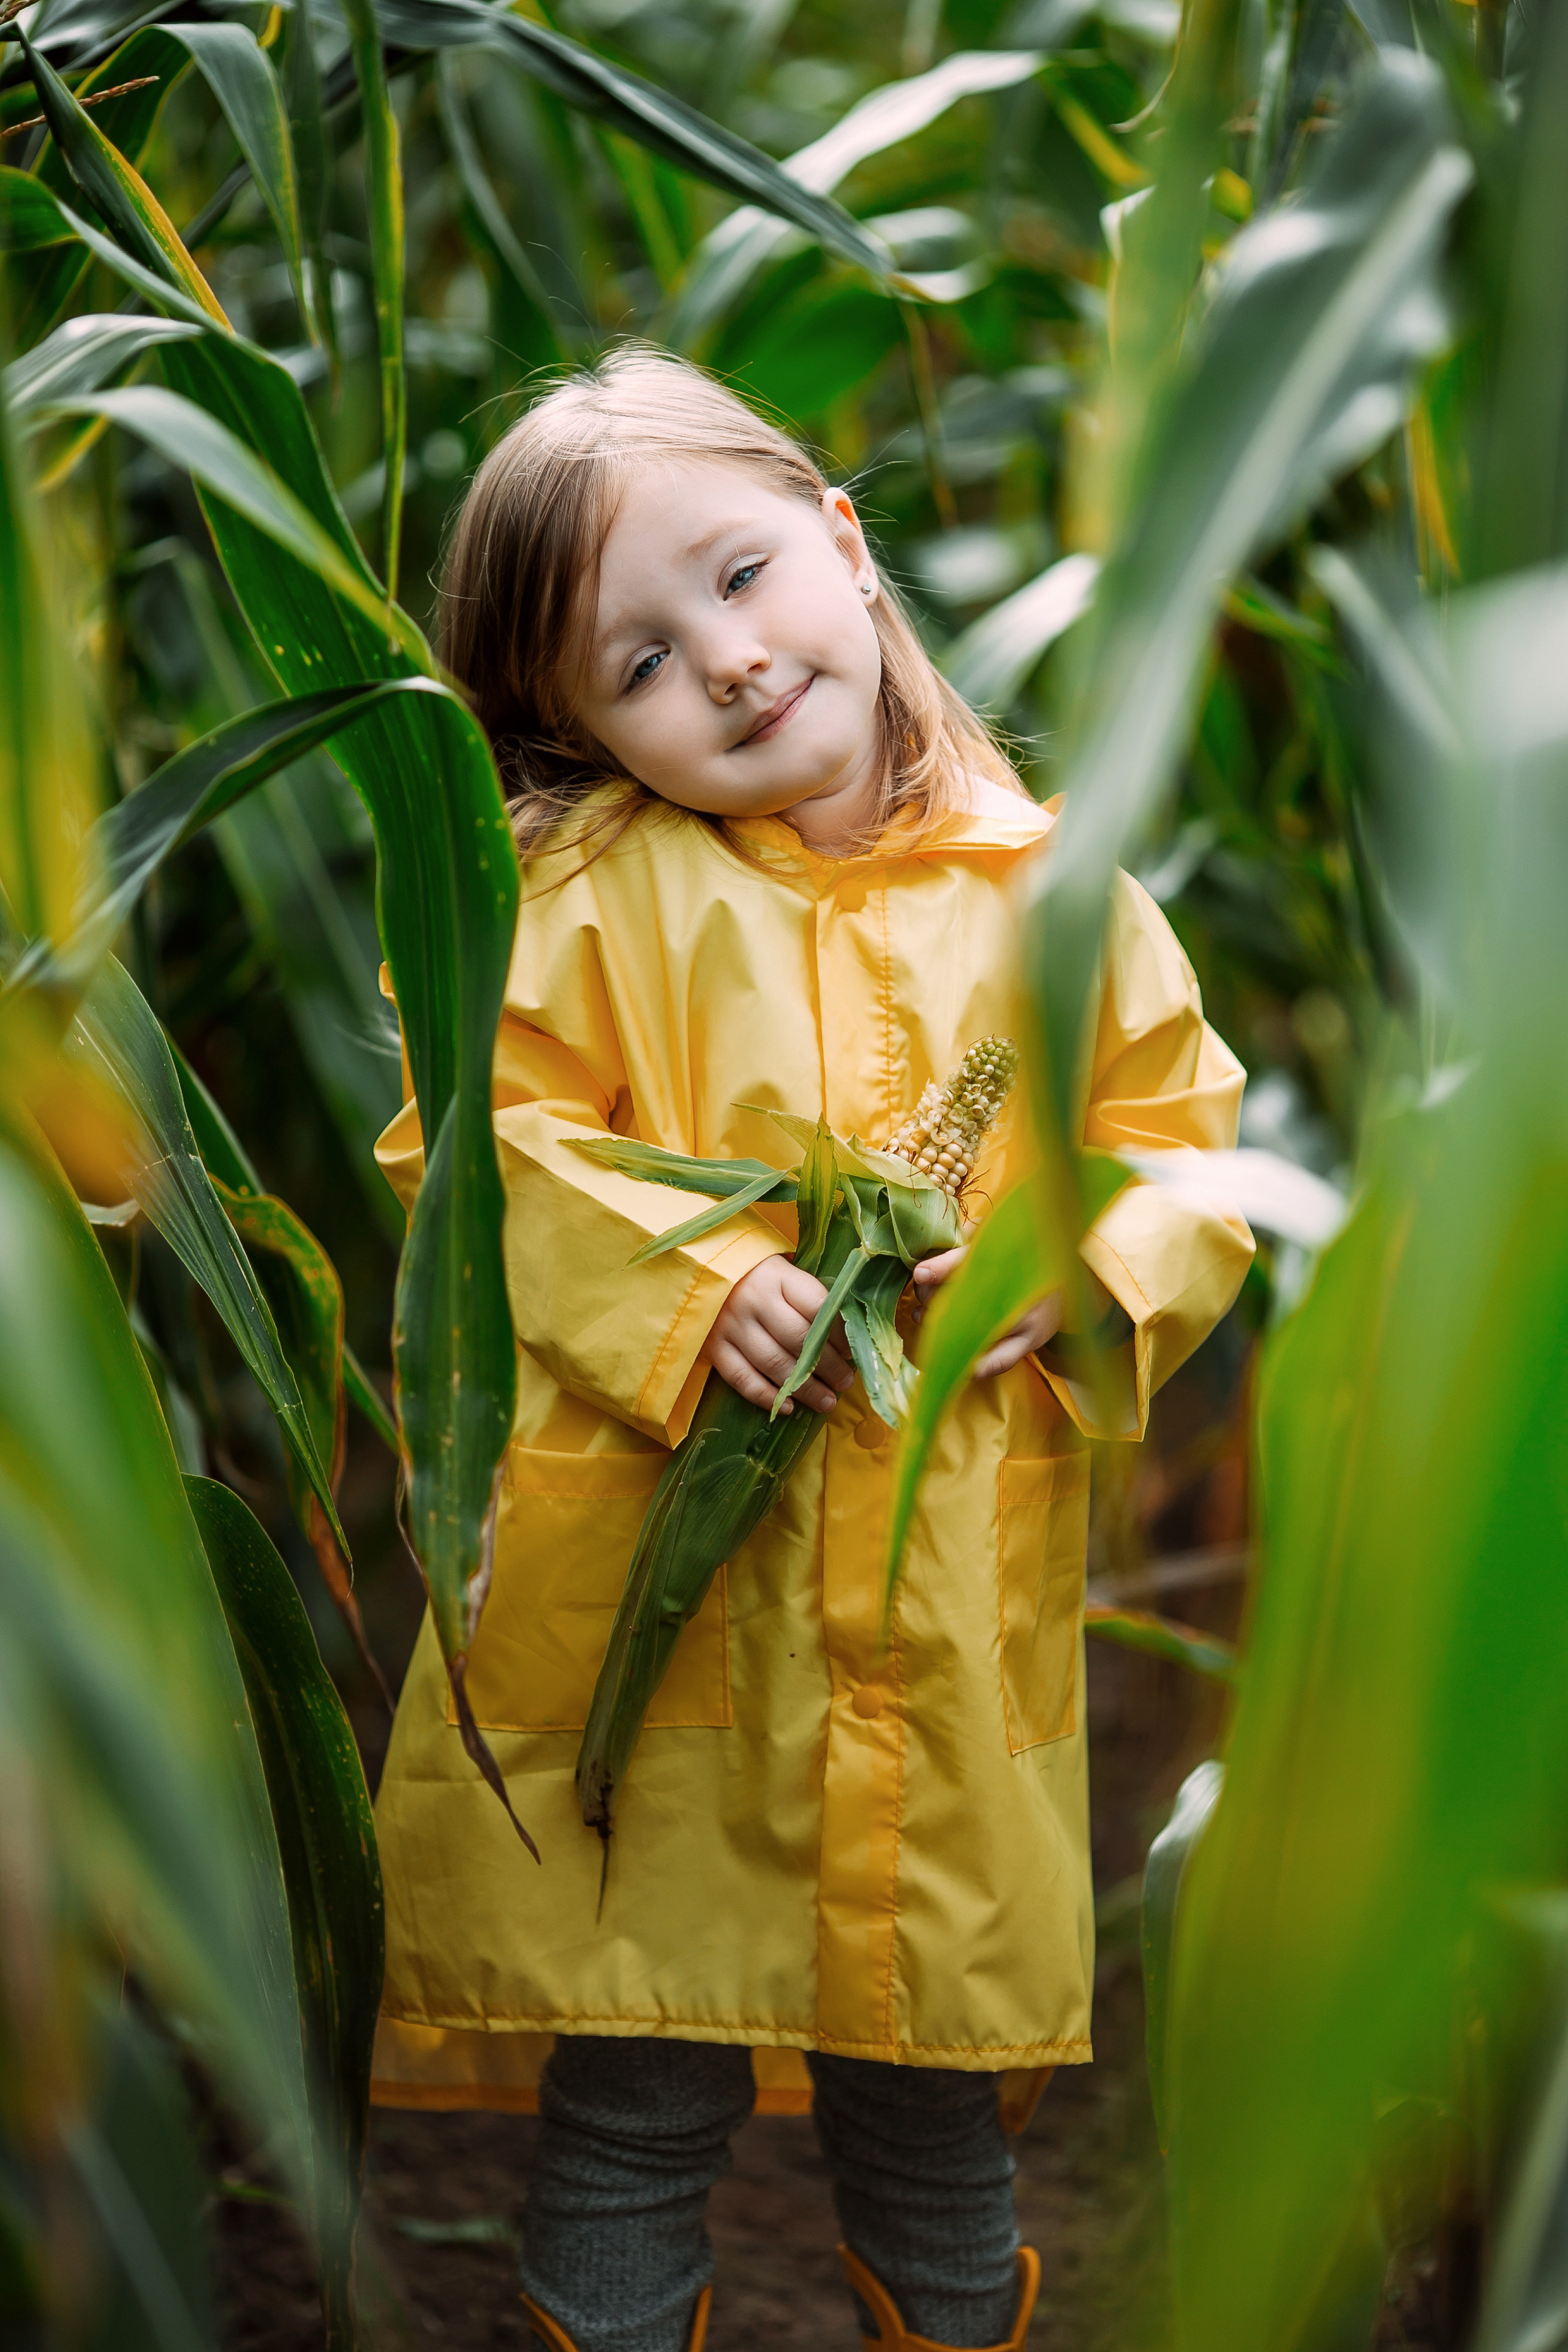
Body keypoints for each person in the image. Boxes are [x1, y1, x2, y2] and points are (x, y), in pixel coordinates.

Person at [370, 345, 1254, 2352]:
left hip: (936, 1625)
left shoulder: (1057, 895)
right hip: (660, 1641)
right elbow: (474, 1155)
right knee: (634, 2090)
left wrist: (1080, 1264)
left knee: (941, 2117)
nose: (735, 664)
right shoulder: (590, 902)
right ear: (577, 728)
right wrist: (689, 1285)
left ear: (844, 547)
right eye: (644, 663)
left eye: (745, 580)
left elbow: (1185, 1154)